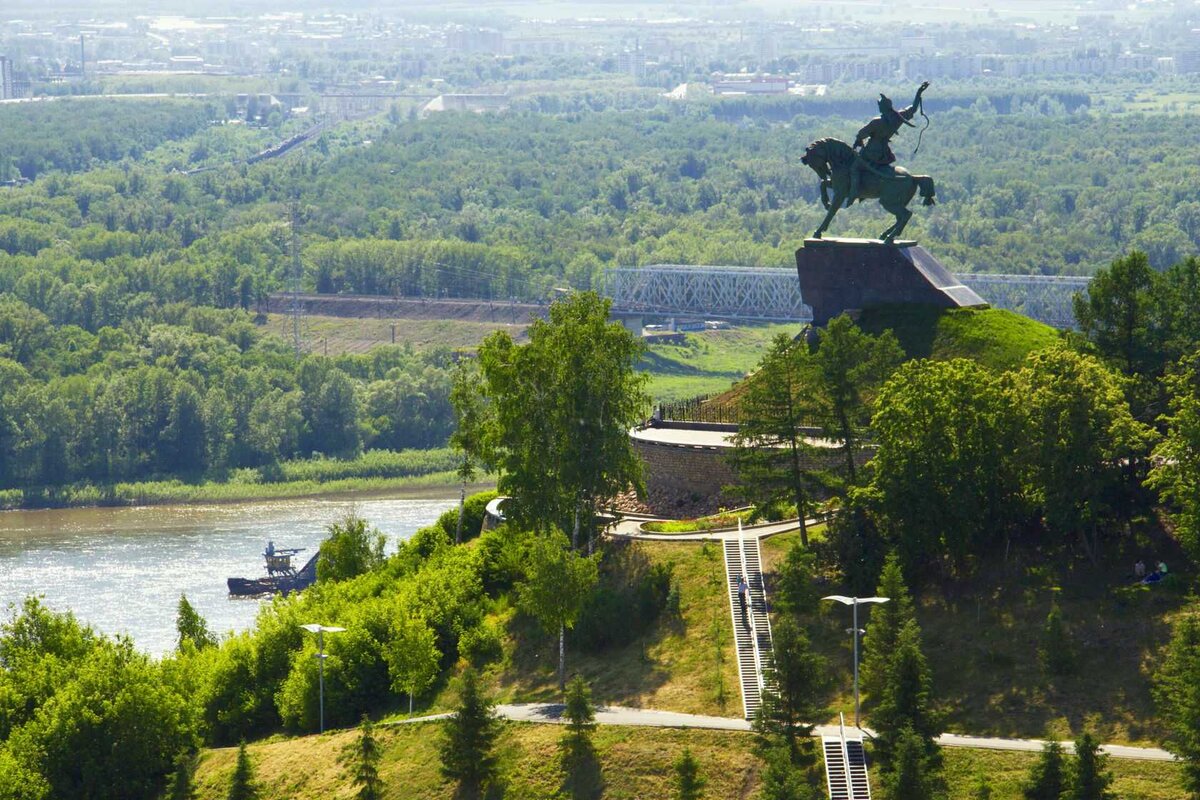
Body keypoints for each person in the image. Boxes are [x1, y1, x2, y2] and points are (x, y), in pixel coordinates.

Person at [846, 81, 930, 207]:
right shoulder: (898, 117)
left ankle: (854, 193)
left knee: (854, 167)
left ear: (882, 107)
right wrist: (918, 93)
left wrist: (857, 141)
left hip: (870, 152)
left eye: (879, 106)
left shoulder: (876, 122)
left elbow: (861, 134)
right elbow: (913, 108)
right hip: (884, 153)